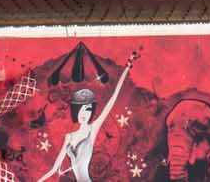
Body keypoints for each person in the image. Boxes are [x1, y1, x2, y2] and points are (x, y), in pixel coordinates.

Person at [37, 52, 137, 182]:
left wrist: (127, 67)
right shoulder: (69, 137)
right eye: (81, 109)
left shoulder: (92, 130)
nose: (84, 114)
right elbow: (54, 168)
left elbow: (112, 99)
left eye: (88, 109)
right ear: (76, 111)